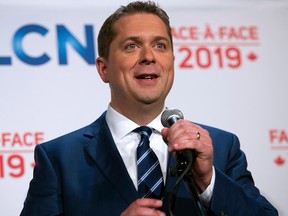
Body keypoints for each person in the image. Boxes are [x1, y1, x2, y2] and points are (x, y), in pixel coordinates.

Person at [20, 1, 278, 216]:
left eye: (160, 46)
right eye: (131, 46)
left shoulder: (221, 148)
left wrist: (207, 180)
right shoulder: (59, 159)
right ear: (104, 68)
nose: (149, 56)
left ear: (172, 63)